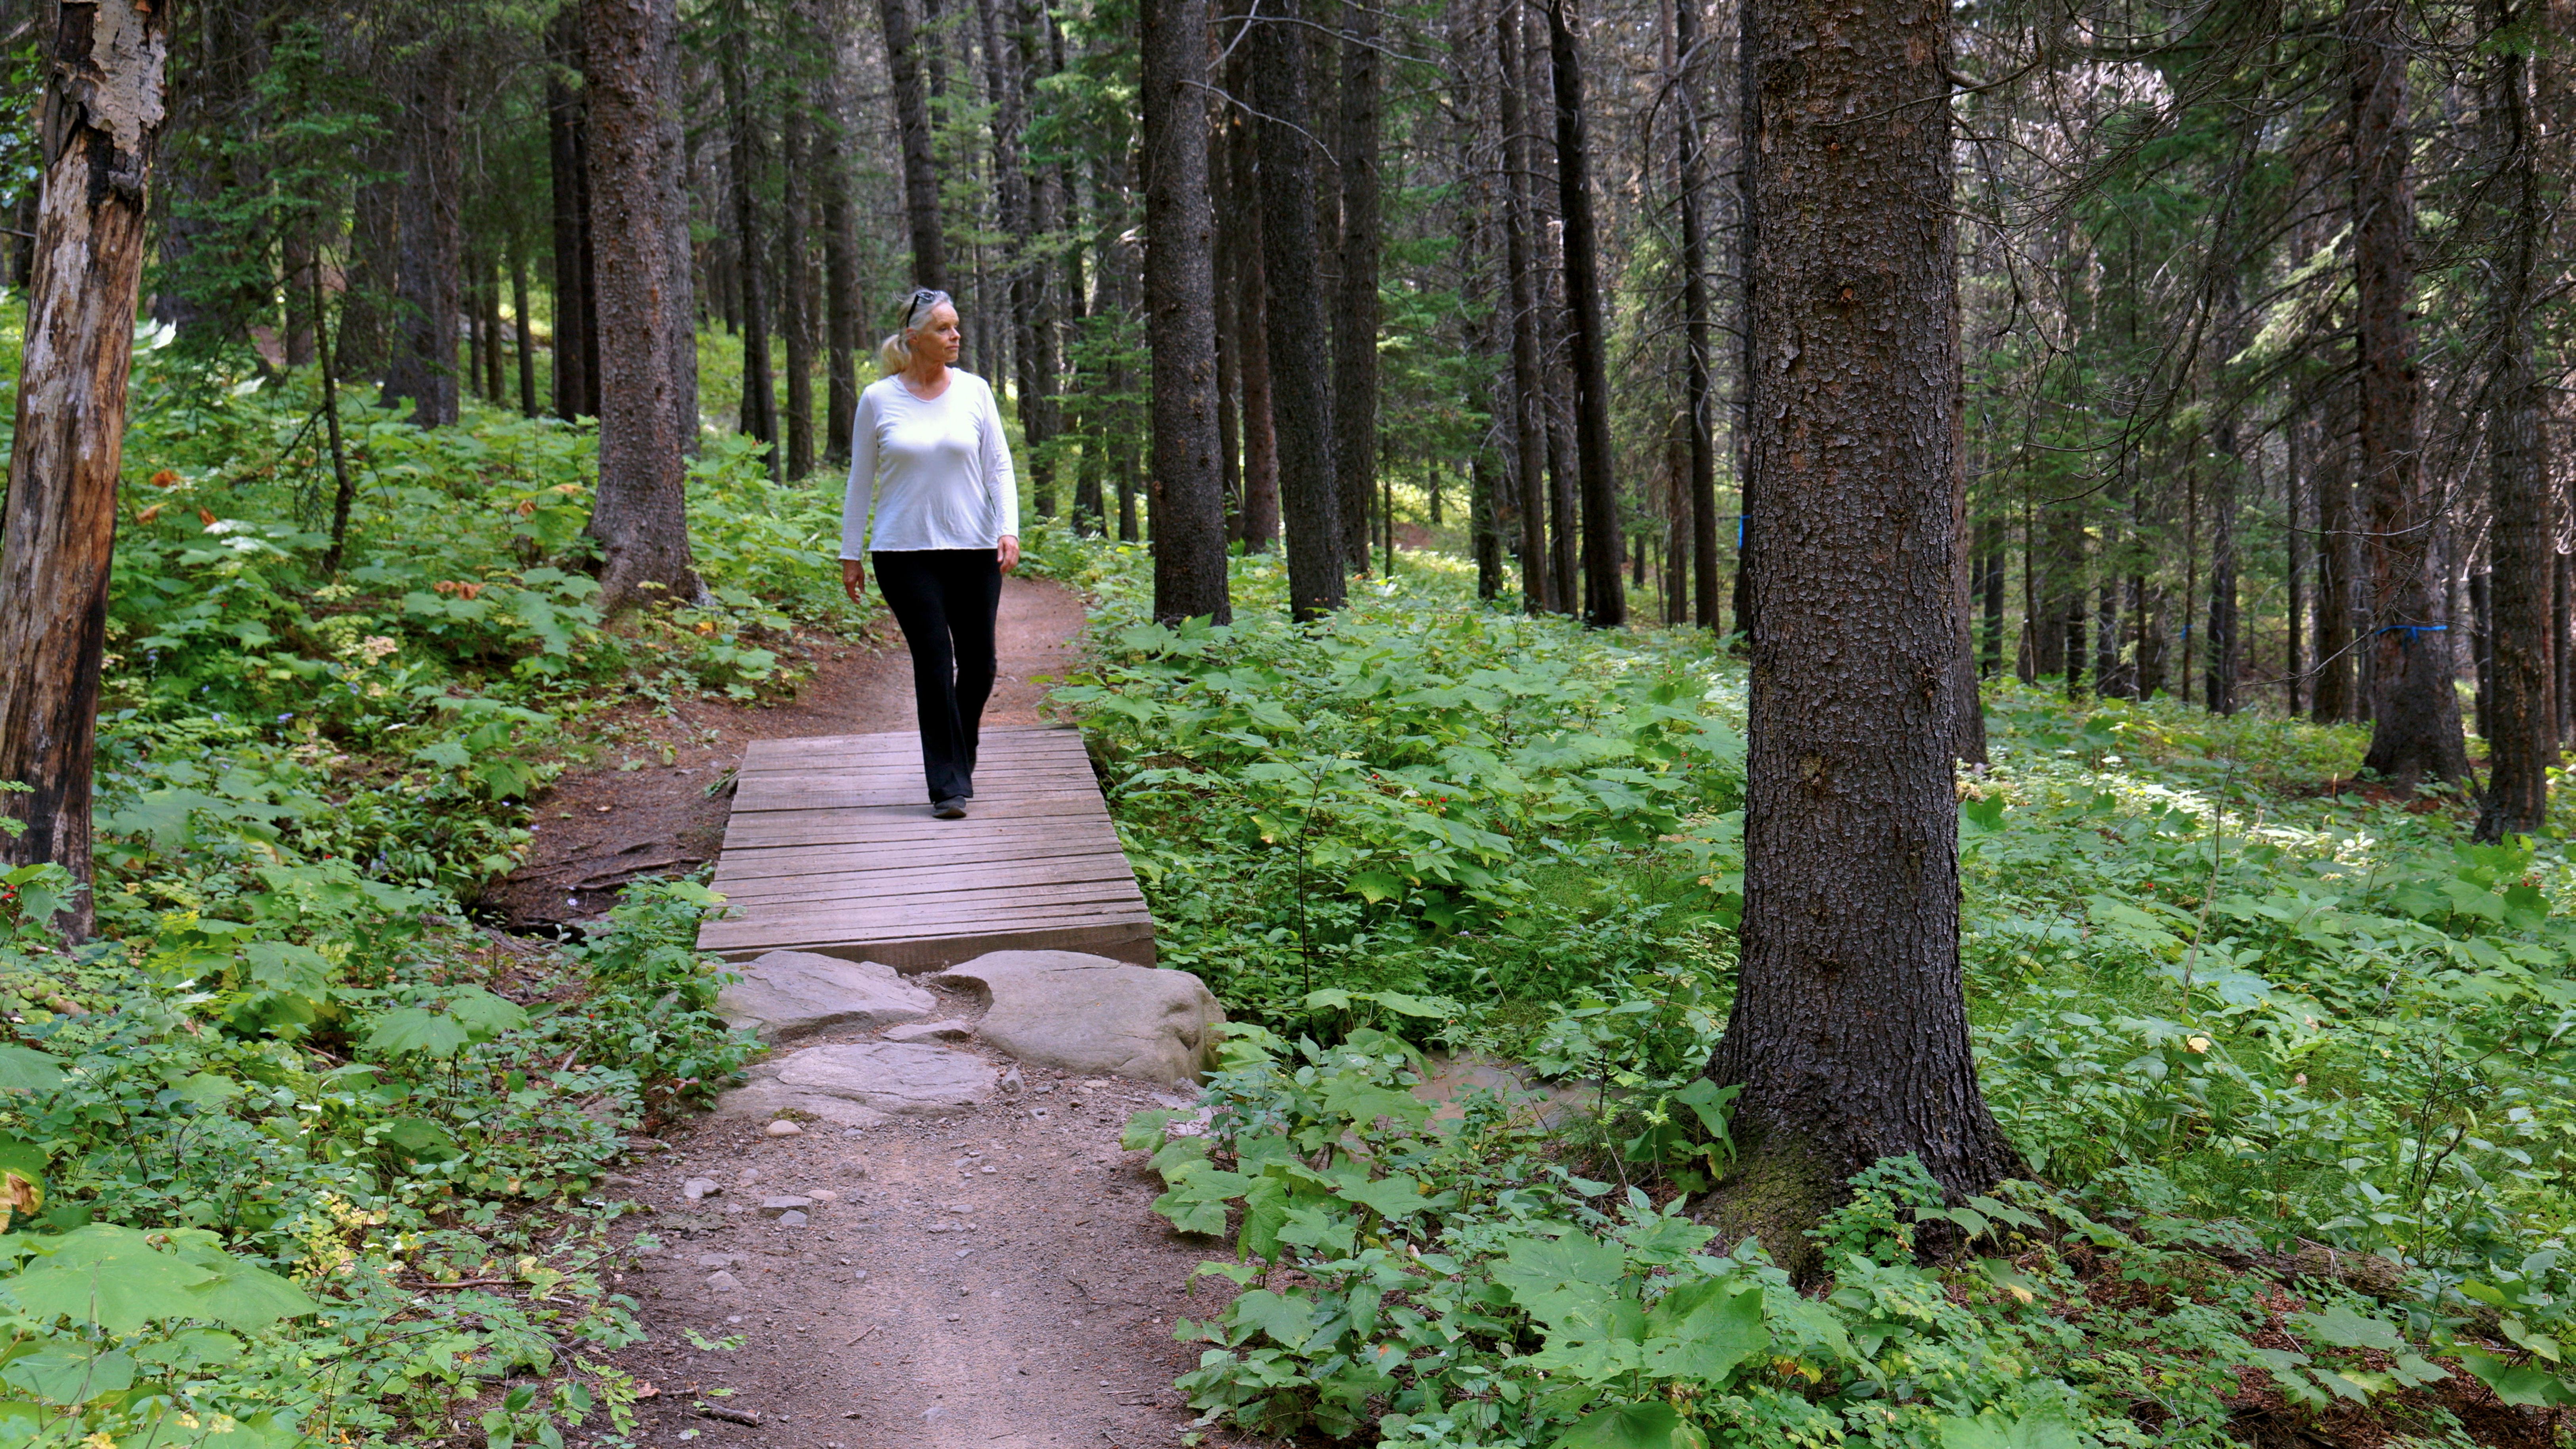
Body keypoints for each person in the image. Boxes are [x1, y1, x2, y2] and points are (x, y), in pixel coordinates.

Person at [840, 288, 1020, 819]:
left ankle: (958, 756)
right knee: (935, 661)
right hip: (904, 551)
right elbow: (860, 480)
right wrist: (850, 553)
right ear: (913, 338)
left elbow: (1000, 466)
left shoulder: (976, 391)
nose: (955, 335)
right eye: (943, 328)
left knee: (981, 665)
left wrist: (1008, 529)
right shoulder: (878, 399)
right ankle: (947, 787)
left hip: (974, 547)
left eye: (956, 326)